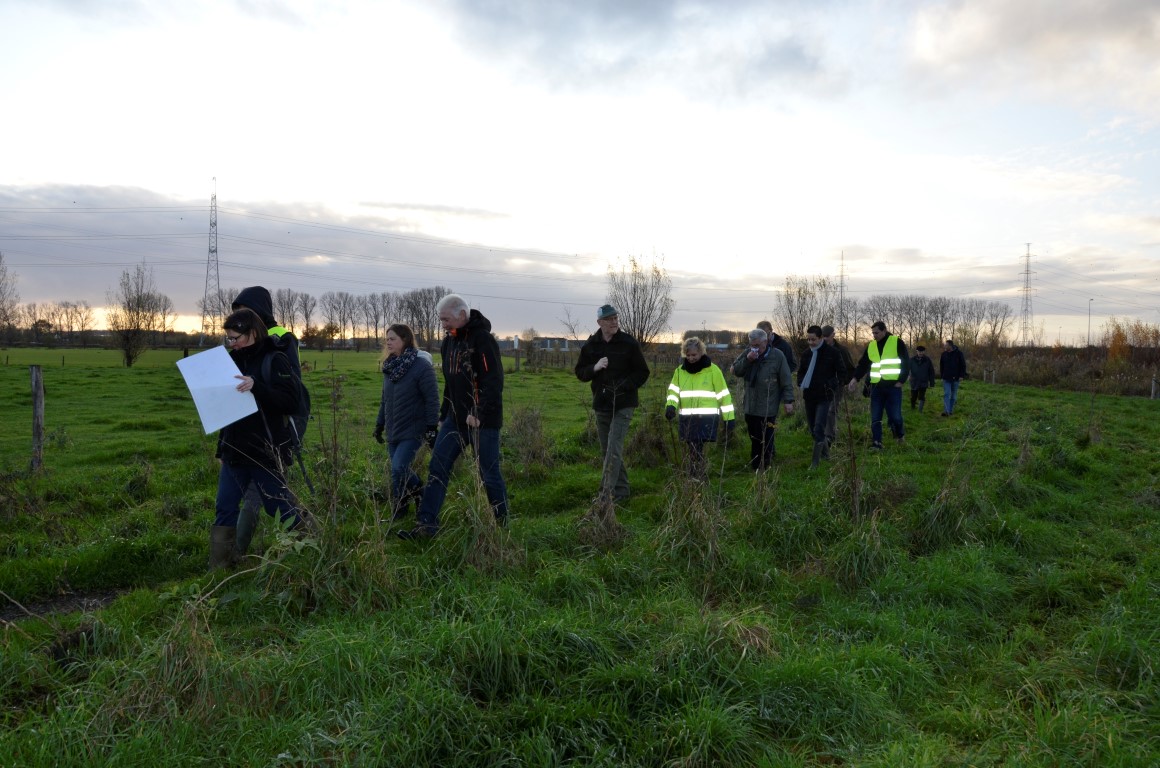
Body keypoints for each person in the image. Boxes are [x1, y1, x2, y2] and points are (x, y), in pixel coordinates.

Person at [398, 294, 509, 539]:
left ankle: (502, 525)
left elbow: (493, 381)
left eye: (446, 319)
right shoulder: (449, 343)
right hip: (454, 421)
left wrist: (478, 414)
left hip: (484, 421)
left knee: (488, 472)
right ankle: (426, 526)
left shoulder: (483, 340)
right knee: (437, 468)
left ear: (461, 315)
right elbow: (451, 383)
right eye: (441, 320)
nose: (443, 324)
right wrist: (443, 415)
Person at [210, 308, 307, 568]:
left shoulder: (275, 359)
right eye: (228, 339)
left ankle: (308, 553)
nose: (232, 344)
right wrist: (222, 449)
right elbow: (226, 407)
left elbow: (291, 401)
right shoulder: (230, 361)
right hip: (234, 450)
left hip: (264, 450)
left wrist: (258, 387)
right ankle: (220, 569)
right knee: (225, 507)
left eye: (235, 338)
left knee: (279, 508)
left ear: (252, 332)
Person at [230, 286, 310, 557]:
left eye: (244, 311)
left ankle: (236, 553)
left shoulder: (281, 338)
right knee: (271, 488)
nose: (239, 317)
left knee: (261, 490)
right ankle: (306, 534)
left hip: (274, 423)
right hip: (248, 425)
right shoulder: (242, 339)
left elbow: (290, 389)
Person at [574, 304, 651, 502]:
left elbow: (643, 372)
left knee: (614, 448)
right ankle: (622, 491)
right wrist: (595, 368)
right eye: (609, 319)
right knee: (607, 450)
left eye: (616, 318)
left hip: (624, 403)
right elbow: (580, 372)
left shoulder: (629, 343)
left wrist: (624, 386)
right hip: (601, 403)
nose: (614, 321)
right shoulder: (591, 345)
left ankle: (605, 496)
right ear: (600, 323)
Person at [374, 324, 439, 521]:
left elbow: (432, 399)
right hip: (394, 429)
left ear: (405, 340)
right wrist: (379, 424)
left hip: (413, 429)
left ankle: (420, 492)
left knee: (399, 468)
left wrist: (431, 427)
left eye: (392, 338)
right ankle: (400, 510)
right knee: (397, 473)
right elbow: (385, 399)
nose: (388, 342)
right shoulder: (390, 366)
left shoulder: (421, 367)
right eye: (387, 339)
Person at [664, 337, 735, 479]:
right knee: (693, 447)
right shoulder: (679, 371)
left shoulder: (713, 371)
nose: (691, 358)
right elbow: (673, 392)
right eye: (688, 355)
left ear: (701, 353)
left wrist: (729, 418)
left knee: (696, 447)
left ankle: (696, 475)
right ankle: (696, 475)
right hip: (687, 418)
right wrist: (671, 406)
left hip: (706, 418)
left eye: (694, 355)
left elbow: (724, 395)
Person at [731, 328, 795, 470]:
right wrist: (747, 360)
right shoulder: (748, 353)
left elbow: (786, 379)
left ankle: (762, 464)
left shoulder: (778, 356)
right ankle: (757, 461)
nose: (755, 349)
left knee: (766, 436)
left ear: (765, 342)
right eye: (752, 345)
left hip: (769, 405)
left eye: (758, 346)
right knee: (754, 436)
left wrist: (788, 401)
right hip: (750, 405)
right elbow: (736, 370)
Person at [847, 321, 910, 450]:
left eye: (876, 333)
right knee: (876, 417)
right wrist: (855, 379)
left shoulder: (896, 342)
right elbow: (863, 364)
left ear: (884, 330)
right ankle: (877, 442)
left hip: (893, 387)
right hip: (876, 387)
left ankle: (899, 435)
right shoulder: (871, 346)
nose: (874, 335)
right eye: (873, 333)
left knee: (895, 416)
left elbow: (906, 362)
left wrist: (901, 380)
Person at [798, 325, 848, 468]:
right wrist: (800, 382)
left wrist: (831, 384)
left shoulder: (832, 353)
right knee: (813, 428)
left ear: (820, 338)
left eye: (813, 339)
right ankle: (826, 454)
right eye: (808, 339)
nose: (810, 342)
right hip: (809, 395)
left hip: (825, 396)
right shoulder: (806, 354)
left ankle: (815, 463)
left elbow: (842, 373)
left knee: (819, 427)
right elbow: (801, 371)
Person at [821, 324, 856, 448]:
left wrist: (842, 382)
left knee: (831, 410)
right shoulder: (817, 350)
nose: (825, 339)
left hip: (837, 386)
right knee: (822, 410)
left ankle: (829, 437)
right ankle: (822, 434)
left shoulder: (842, 351)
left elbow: (851, 369)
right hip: (821, 386)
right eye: (822, 336)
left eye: (827, 336)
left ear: (833, 335)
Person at [939, 339, 968, 416]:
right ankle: (946, 411)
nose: (944, 346)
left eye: (946, 345)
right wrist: (942, 376)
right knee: (946, 394)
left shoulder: (959, 354)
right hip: (946, 378)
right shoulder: (943, 354)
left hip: (956, 378)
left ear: (950, 346)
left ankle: (950, 410)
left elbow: (963, 365)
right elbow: (941, 365)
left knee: (953, 396)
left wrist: (962, 375)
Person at [908, 345, 937, 412]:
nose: (920, 353)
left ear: (924, 352)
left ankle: (920, 410)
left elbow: (931, 371)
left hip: (923, 381)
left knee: (921, 396)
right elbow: (907, 369)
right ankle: (913, 408)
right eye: (919, 352)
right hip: (914, 381)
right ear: (917, 351)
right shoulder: (912, 360)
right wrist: (908, 376)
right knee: (913, 396)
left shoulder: (927, 360)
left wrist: (932, 382)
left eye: (922, 352)